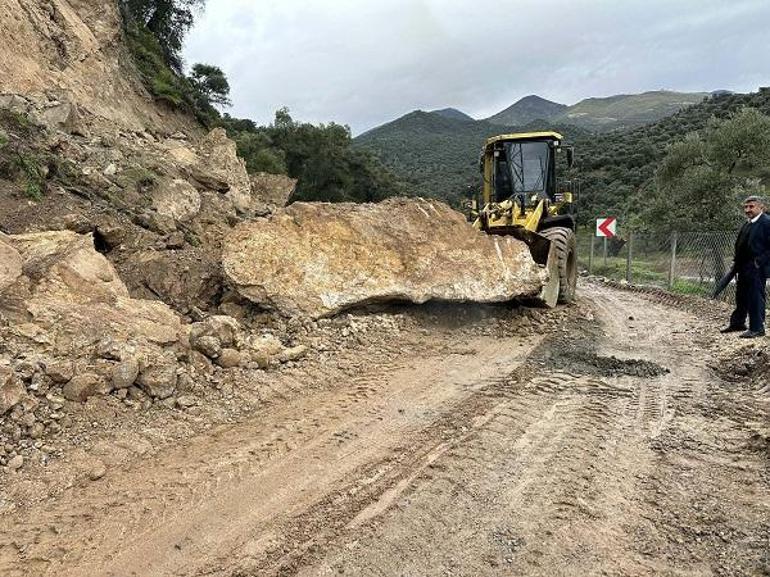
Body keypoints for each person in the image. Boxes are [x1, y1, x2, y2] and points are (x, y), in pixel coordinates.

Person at [721, 195, 770, 338]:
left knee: (755, 296)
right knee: (741, 295)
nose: (747, 210)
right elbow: (742, 244)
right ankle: (738, 323)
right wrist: (736, 261)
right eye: (746, 207)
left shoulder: (766, 222)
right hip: (743, 266)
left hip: (756, 267)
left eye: (751, 206)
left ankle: (757, 328)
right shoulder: (748, 223)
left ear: (761, 207)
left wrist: (759, 262)